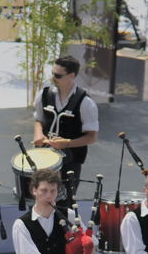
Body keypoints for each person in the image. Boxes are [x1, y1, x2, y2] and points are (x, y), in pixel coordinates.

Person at [31, 55, 99, 207]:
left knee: (64, 204)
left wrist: (67, 143)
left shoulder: (85, 102)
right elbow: (38, 120)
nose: (53, 78)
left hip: (70, 161)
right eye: (53, 74)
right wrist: (38, 134)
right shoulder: (44, 94)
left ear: (71, 76)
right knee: (39, 201)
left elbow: (92, 137)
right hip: (44, 158)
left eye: (58, 75)